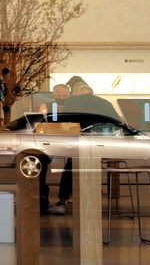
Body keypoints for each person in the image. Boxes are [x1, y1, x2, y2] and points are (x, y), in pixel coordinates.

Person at [42, 81, 121, 215]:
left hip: (81, 144)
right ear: (91, 93)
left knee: (71, 164)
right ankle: (87, 201)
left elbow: (65, 122)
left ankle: (62, 201)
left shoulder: (73, 102)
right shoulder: (105, 103)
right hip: (102, 145)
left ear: (77, 94)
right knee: (77, 163)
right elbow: (117, 122)